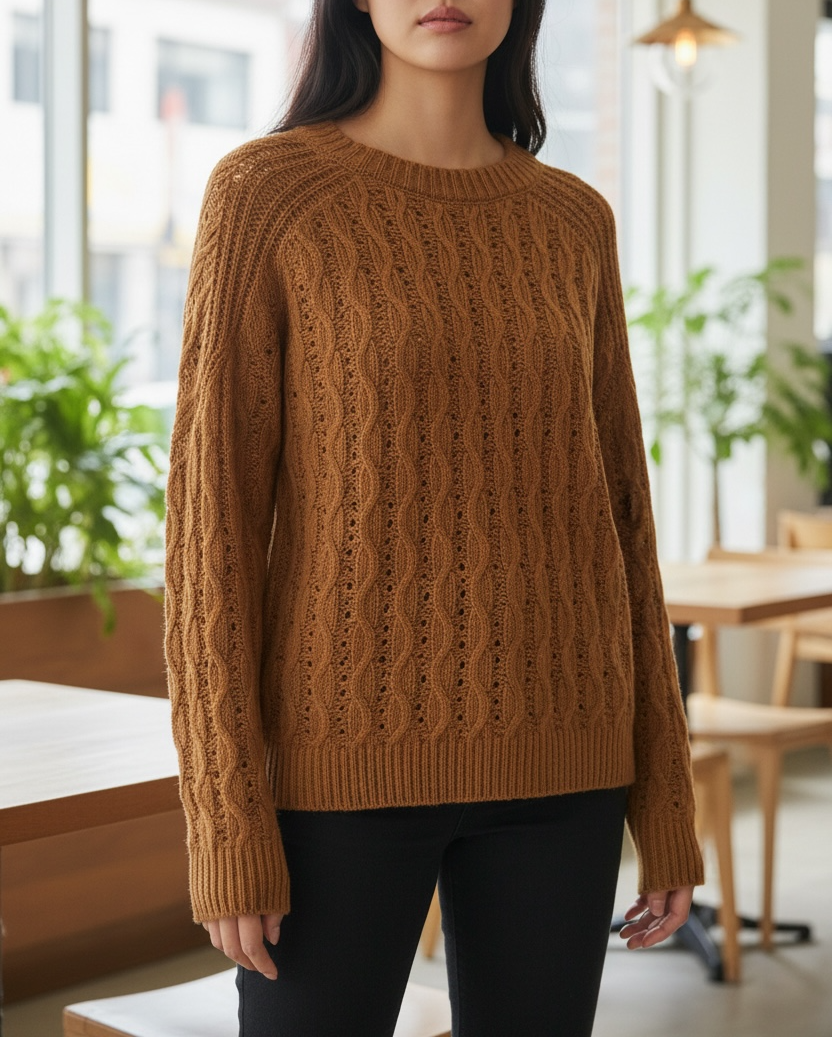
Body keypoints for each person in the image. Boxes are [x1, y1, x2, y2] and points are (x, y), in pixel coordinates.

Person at [164, 2, 705, 1035]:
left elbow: (622, 523)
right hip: (334, 776)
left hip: (567, 767)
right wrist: (225, 816)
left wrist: (665, 807)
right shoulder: (267, 195)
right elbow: (210, 532)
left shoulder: (571, 218)